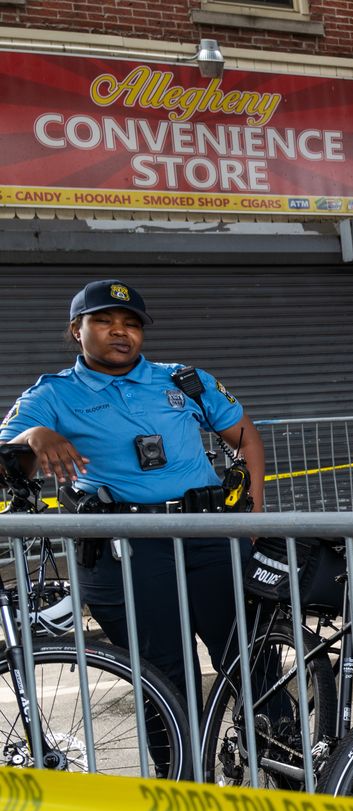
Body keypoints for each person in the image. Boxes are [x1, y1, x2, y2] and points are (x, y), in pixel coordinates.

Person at [0, 280, 266, 771]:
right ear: (76, 330)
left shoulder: (185, 380)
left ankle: (288, 774)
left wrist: (251, 517)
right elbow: (7, 457)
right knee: (164, 677)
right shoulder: (53, 394)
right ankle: (184, 795)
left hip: (211, 539)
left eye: (131, 324)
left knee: (253, 663)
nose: (120, 332)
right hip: (128, 553)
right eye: (104, 322)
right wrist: (34, 435)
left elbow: (245, 437)